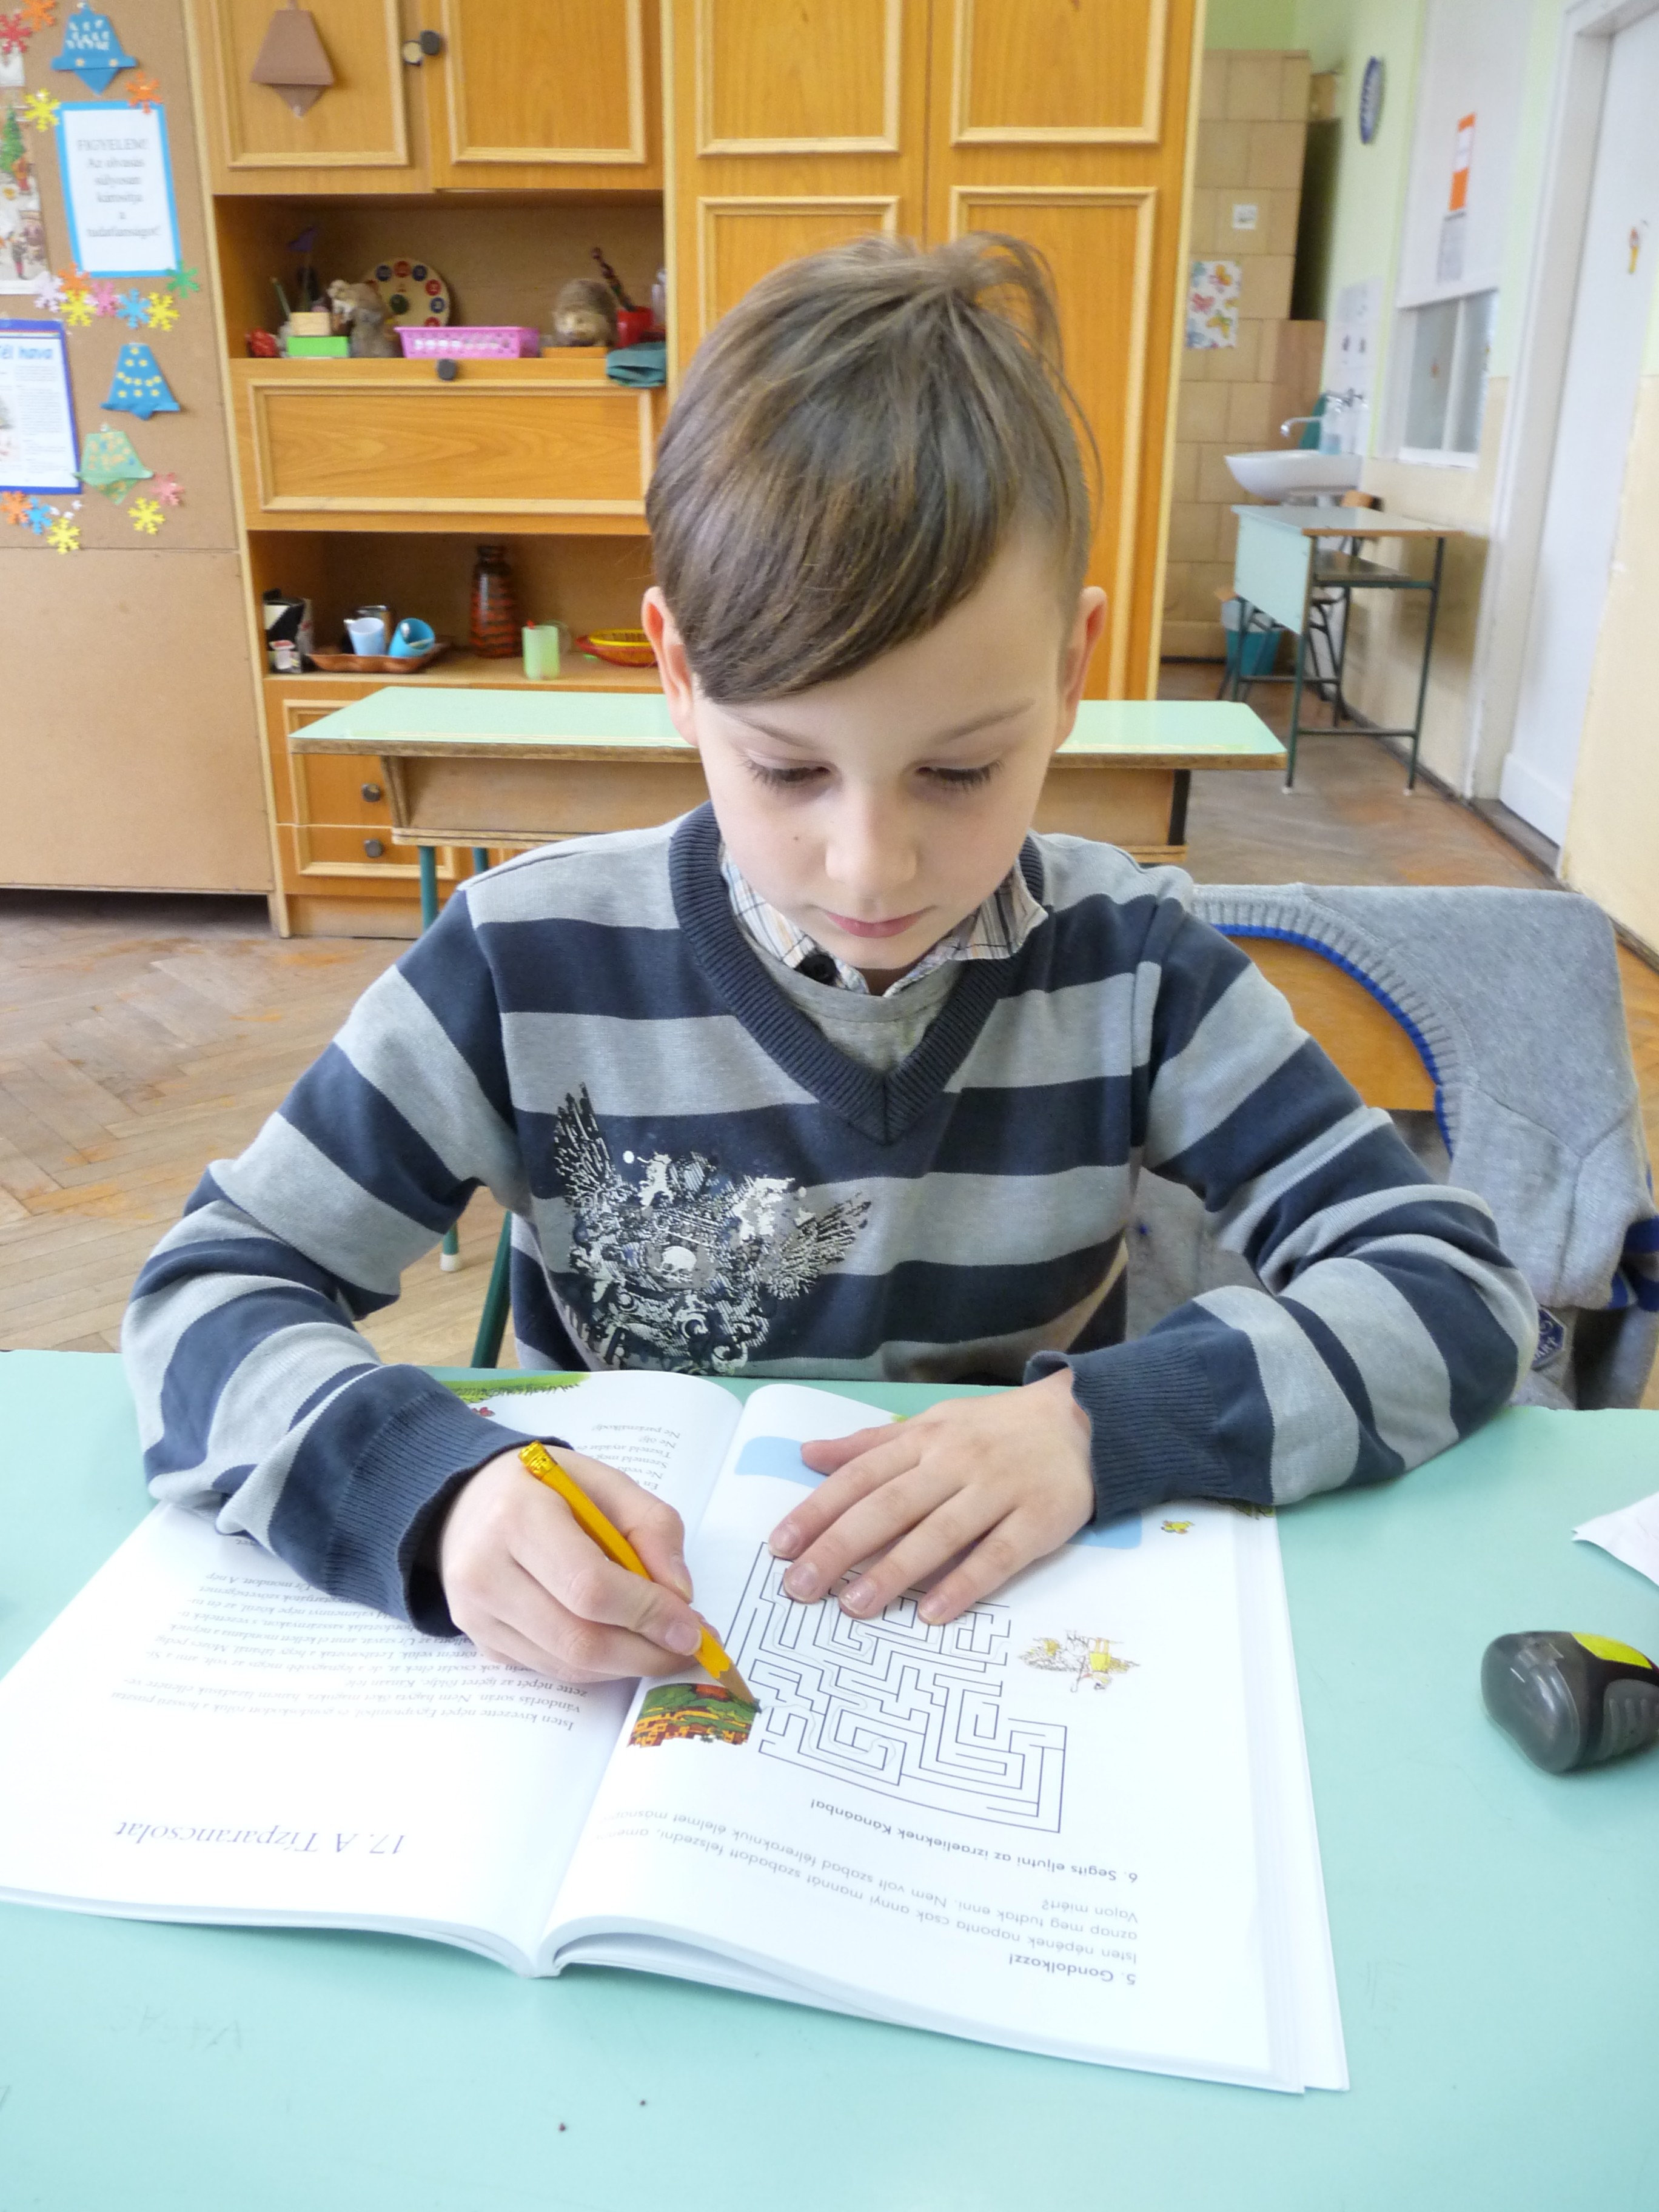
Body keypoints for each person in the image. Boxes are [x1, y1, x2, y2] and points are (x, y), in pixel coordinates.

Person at [124, 235, 1535, 1687]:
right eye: (789, 769)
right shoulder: (518, 963)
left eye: (959, 770)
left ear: (1070, 672)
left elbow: (1453, 1285)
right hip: (639, 1665)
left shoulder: (1137, 970)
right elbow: (206, 1297)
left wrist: (1101, 1425)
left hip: (1016, 1656)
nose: (872, 867)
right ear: (680, 671)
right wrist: (439, 1494)